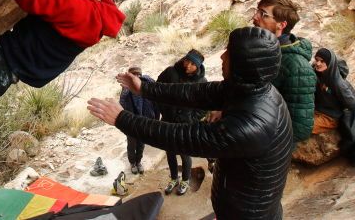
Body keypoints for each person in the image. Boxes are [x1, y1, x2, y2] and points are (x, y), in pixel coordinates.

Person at [88, 27, 293, 220]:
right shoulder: (252, 89)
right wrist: (145, 88)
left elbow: (182, 137)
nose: (222, 56)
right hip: (241, 205)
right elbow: (197, 92)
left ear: (243, 65)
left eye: (229, 53)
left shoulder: (252, 124)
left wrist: (122, 118)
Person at [253, 0, 316, 142]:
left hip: (267, 144)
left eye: (263, 14)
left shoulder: (298, 67)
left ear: (281, 25)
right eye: (257, 11)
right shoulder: (260, 49)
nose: (255, 17)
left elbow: (300, 128)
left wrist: (259, 140)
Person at [155, 49, 207, 196]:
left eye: (192, 64)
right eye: (187, 61)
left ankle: (185, 180)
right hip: (168, 120)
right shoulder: (171, 72)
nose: (188, 65)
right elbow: (156, 90)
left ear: (198, 66)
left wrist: (192, 118)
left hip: (185, 124)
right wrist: (162, 109)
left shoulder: (202, 82)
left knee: (185, 153)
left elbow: (205, 106)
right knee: (170, 152)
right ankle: (173, 178)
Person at [118, 66, 157, 175]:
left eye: (138, 74)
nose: (136, 76)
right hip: (130, 121)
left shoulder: (146, 86)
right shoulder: (126, 88)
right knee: (131, 143)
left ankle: (138, 162)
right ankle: (132, 163)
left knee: (141, 143)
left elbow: (153, 103)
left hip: (144, 120)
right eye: (133, 74)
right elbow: (122, 103)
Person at [311, 47, 355, 134]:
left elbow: (353, 105)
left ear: (329, 63)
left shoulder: (338, 83)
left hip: (330, 117)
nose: (318, 63)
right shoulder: (315, 73)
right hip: (316, 110)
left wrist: (339, 113)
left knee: (304, 128)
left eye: (322, 61)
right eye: (316, 60)